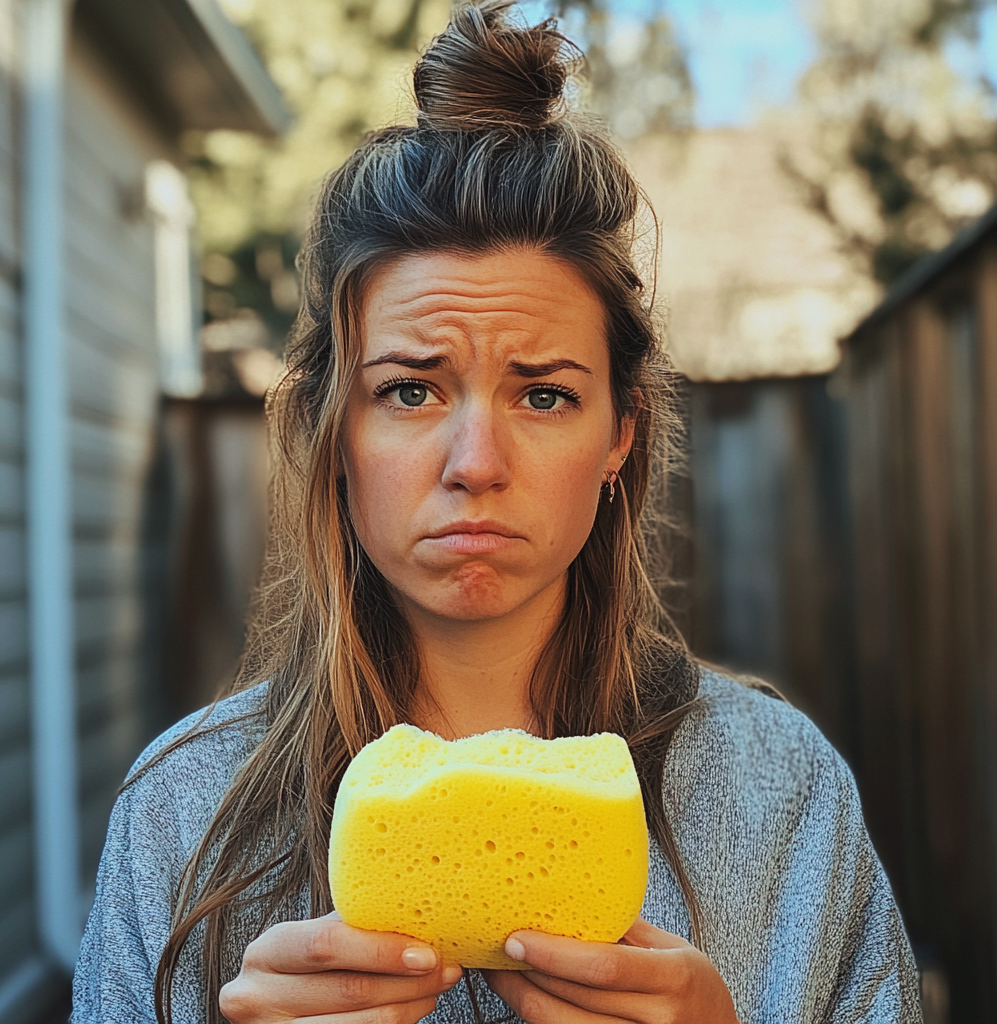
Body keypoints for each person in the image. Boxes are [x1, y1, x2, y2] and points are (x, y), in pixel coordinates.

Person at [72, 3, 922, 1022]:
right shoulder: (181, 812)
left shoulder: (779, 798)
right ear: (331, 431)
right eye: (411, 390)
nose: (475, 463)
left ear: (619, 436)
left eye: (545, 394)